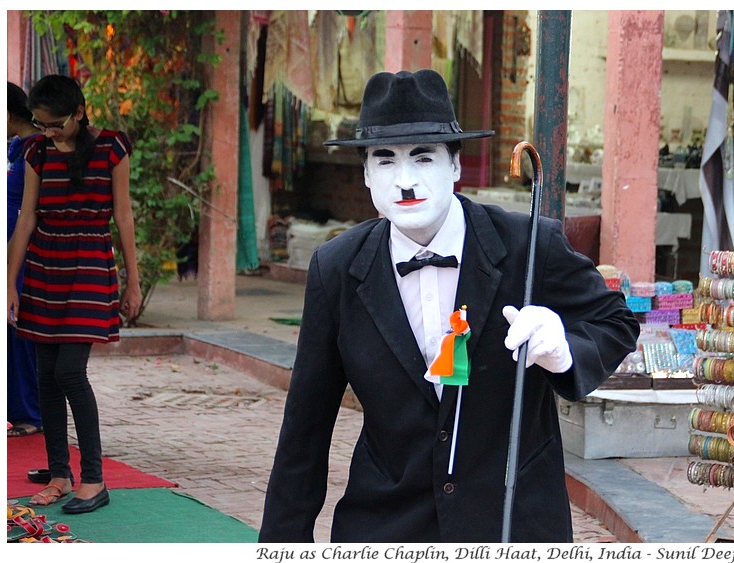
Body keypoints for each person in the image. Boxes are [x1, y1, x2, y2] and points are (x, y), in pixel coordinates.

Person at [259, 69, 639, 542]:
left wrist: (564, 349)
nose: (405, 180)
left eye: (423, 158)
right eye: (385, 160)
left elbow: (615, 321)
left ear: (455, 166)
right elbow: (305, 429)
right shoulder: (336, 269)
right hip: (386, 524)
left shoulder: (527, 245)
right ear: (365, 175)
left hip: (512, 521)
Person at [6, 74, 142, 514]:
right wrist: (8, 281)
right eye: (40, 124)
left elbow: (123, 217)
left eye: (55, 124)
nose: (48, 132)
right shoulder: (35, 151)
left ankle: (95, 479)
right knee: (47, 374)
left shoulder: (112, 148)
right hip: (45, 264)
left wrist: (133, 281)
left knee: (69, 372)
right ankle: (60, 473)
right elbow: (26, 219)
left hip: (89, 263)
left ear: (80, 112)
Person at [7, 82, 43, 438]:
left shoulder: (36, 150)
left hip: (21, 249)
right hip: (9, 245)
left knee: (18, 330)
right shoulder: (17, 148)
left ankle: (30, 413)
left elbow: (30, 211)